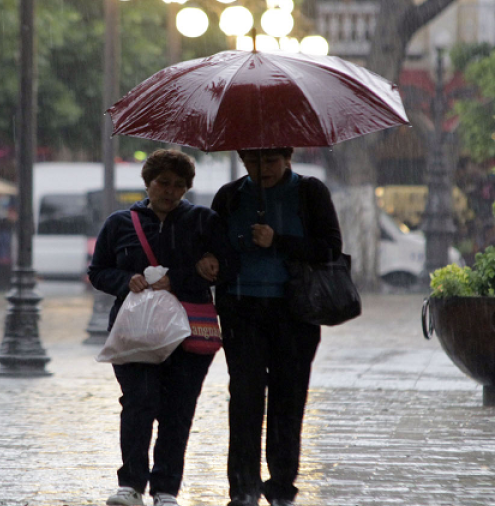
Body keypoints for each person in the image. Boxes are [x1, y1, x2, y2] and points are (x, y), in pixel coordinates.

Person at [88, 149, 237, 506]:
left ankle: (166, 489)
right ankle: (131, 485)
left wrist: (183, 278)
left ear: (187, 188)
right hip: (134, 332)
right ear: (148, 183)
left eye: (178, 185)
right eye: (163, 183)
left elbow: (226, 268)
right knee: (138, 403)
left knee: (178, 410)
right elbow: (98, 272)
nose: (170, 191)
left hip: (188, 331)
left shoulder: (203, 221)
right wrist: (127, 280)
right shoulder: (119, 223)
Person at [205, 147, 343, 506]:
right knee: (246, 398)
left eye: (269, 160)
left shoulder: (310, 192)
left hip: (294, 310)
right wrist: (217, 255)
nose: (260, 168)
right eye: (251, 160)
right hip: (241, 310)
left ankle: (281, 485)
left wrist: (278, 241)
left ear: (287, 158)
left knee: (289, 398)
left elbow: (330, 249)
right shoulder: (230, 196)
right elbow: (212, 244)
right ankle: (243, 488)